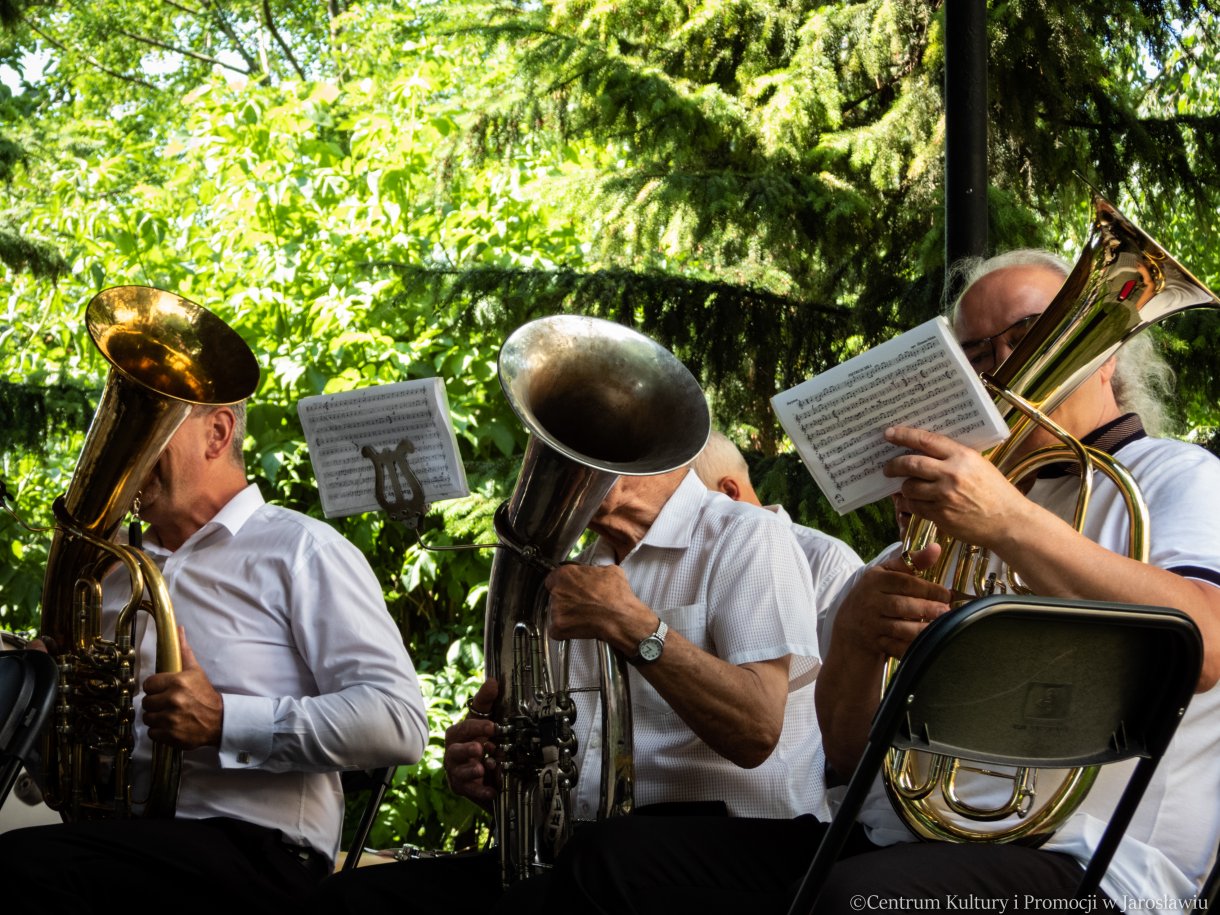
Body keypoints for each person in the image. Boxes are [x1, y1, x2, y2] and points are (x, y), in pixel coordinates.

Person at [540, 248, 1220, 911]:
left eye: (1028, 335)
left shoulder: (1175, 475)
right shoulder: (954, 520)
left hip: (1099, 866)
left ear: (1105, 352)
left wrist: (1007, 519)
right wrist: (859, 640)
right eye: (976, 355)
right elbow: (844, 753)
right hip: (898, 838)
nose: (1003, 366)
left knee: (856, 900)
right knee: (610, 861)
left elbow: (1206, 645)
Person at [314, 463, 821, 913]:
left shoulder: (746, 535)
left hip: (735, 842)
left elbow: (757, 729)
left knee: (580, 872)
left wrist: (635, 628)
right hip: (588, 857)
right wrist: (498, 774)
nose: (558, 469)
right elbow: (563, 774)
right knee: (351, 900)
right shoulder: (578, 573)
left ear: (651, 448)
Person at [0, 402, 430, 911]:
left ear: (218, 432)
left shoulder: (303, 549)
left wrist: (224, 720)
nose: (125, 452)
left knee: (17, 865)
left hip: (256, 853)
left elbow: (399, 722)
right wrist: (46, 714)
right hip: (123, 843)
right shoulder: (106, 577)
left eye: (145, 427)